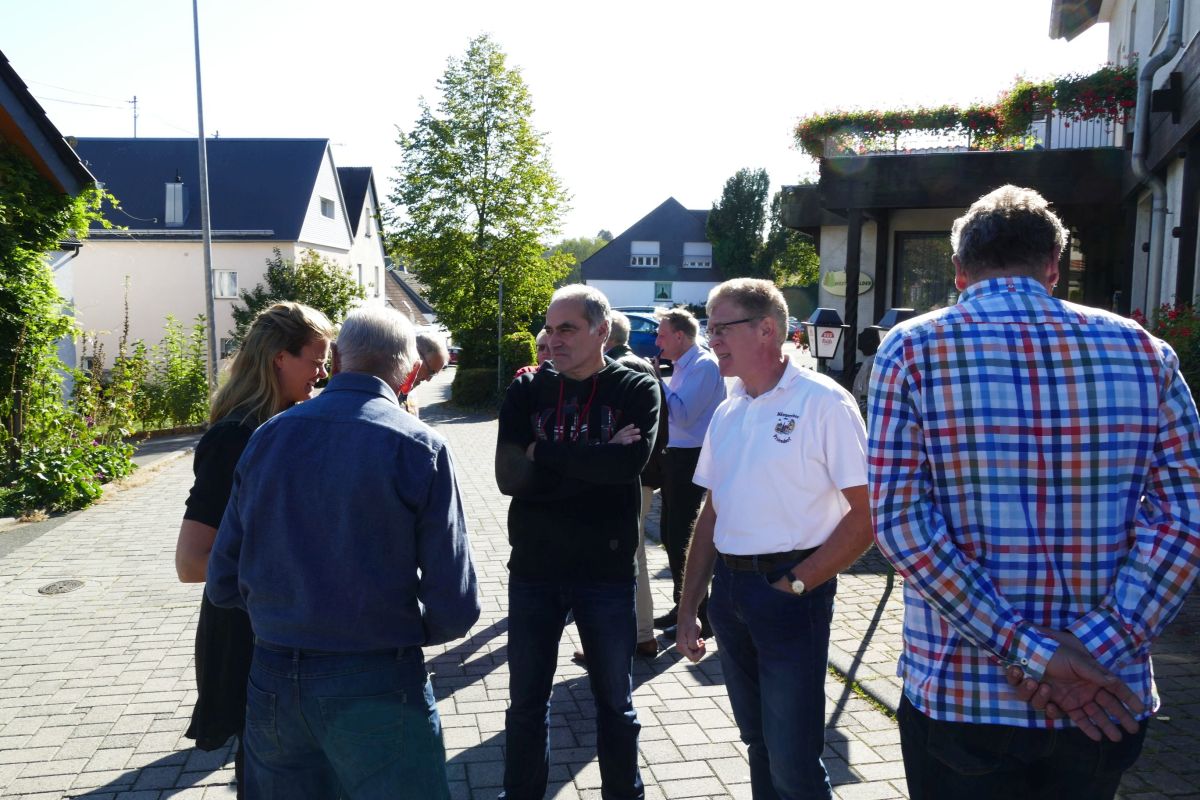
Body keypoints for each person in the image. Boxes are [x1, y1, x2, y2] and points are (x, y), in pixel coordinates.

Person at [868, 185, 1200, 799]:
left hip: (964, 696)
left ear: (959, 270)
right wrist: (1094, 647)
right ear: (1053, 266)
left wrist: (1033, 654)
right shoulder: (1147, 353)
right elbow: (1185, 519)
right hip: (1103, 696)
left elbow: (900, 524)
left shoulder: (911, 349)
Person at [206, 306, 480, 799]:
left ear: (334, 360)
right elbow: (455, 603)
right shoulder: (420, 447)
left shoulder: (267, 436)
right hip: (376, 672)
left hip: (274, 674)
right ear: (410, 374)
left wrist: (285, 616)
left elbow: (223, 577)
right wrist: (402, 631)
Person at [675, 278, 872, 800]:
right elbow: (712, 512)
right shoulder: (729, 408)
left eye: (722, 328)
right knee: (759, 744)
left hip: (790, 592)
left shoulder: (824, 402)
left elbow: (867, 515)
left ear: (767, 329)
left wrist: (797, 584)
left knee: (792, 762)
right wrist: (690, 605)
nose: (711, 340)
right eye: (709, 328)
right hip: (731, 594)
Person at [496, 285, 660, 800]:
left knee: (615, 703)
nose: (554, 338)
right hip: (534, 569)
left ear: (601, 331)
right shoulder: (527, 389)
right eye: (550, 328)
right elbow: (508, 477)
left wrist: (543, 453)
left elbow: (627, 467)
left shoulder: (636, 388)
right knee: (526, 703)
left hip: (604, 572)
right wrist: (597, 457)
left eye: (567, 328)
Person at [174, 301, 335, 797]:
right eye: (316, 360)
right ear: (279, 358)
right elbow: (191, 562)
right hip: (248, 635)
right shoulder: (235, 437)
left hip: (283, 631)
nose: (323, 373)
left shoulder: (287, 423)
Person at [650, 306, 725, 637]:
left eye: (662, 335)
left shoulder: (704, 365)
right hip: (676, 457)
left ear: (680, 336)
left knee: (683, 535)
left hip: (692, 458)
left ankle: (702, 615)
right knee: (670, 534)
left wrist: (657, 382)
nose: (657, 341)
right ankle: (684, 606)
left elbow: (682, 415)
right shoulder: (683, 364)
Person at [605, 311, 668, 657]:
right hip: (644, 475)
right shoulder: (643, 364)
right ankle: (640, 634)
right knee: (634, 553)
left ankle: (636, 635)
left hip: (630, 478)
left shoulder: (619, 369)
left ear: (605, 335)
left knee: (627, 556)